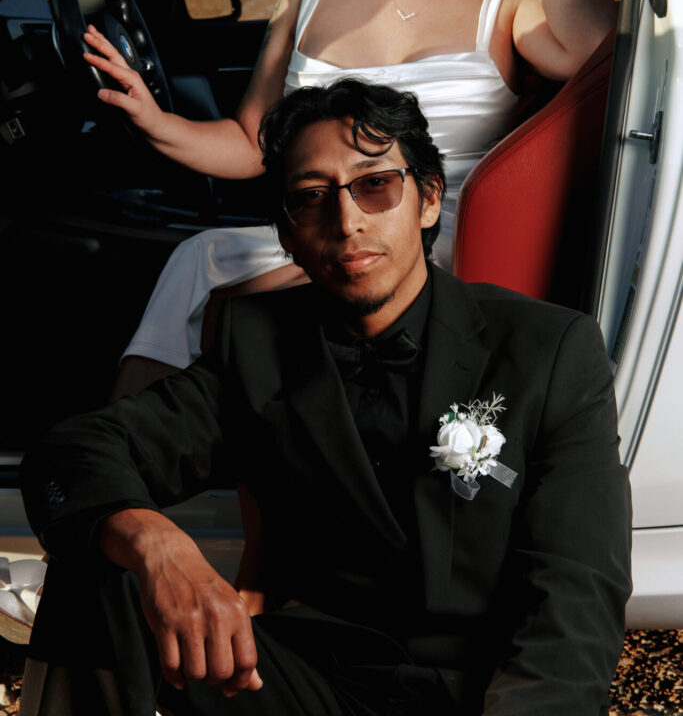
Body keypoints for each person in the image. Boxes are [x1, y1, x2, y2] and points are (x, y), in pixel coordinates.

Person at [21, 79, 630, 716]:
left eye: (375, 185)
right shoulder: (255, 342)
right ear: (286, 234)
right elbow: (72, 455)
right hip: (304, 685)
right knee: (100, 557)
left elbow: (576, 593)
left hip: (475, 692)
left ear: (426, 200)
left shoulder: (549, 349)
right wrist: (157, 544)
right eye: (312, 197)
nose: (347, 222)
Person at [84, 0, 617, 373]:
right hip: (323, 222)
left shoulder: (507, 5)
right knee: (198, 260)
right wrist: (156, 122)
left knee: (232, 310)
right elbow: (252, 144)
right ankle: (126, 453)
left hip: (432, 243)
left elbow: (607, 50)